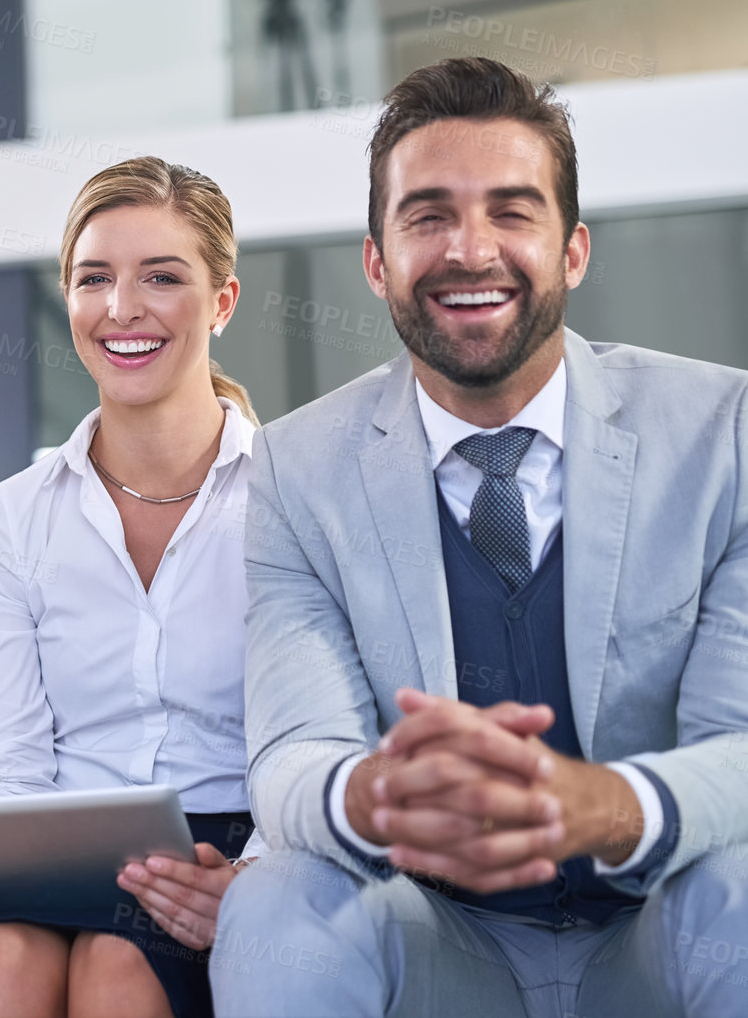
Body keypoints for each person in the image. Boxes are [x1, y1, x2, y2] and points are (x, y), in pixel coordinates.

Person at [213, 56, 748, 1017]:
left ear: (572, 249)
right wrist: (372, 796)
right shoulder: (298, 467)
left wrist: (604, 804)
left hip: (658, 929)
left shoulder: (721, 430)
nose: (469, 250)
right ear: (376, 261)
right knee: (276, 896)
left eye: (511, 210)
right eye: (426, 215)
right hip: (440, 946)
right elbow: (293, 753)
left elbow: (741, 748)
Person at [0, 157, 264, 1018]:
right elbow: (10, 763)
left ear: (222, 302)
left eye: (160, 277)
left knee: (114, 969)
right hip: (54, 848)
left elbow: (308, 739)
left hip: (232, 843)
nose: (121, 307)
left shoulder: (288, 496)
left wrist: (253, 876)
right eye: (95, 278)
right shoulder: (5, 523)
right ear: (69, 299)